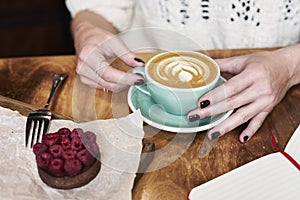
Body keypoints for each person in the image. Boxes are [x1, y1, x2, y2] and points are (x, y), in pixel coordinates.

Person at [65, 0, 300, 143]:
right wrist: (88, 30)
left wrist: (289, 66)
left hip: (282, 96)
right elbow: (98, 7)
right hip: (146, 64)